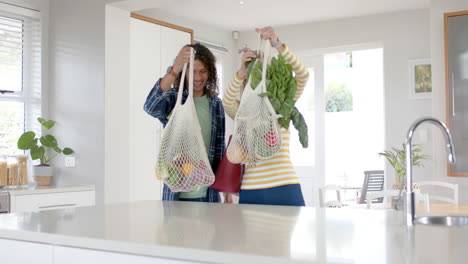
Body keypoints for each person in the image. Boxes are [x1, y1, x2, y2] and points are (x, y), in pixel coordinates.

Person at [223, 26, 310, 206]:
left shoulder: (284, 101)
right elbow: (227, 101)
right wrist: (241, 72)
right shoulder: (243, 113)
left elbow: (303, 74)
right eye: (255, 68)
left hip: (285, 186)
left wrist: (277, 44)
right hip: (252, 189)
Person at [144, 43, 232, 203]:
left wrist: (226, 190)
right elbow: (150, 107)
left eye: (203, 71)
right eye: (192, 71)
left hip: (208, 194)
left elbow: (220, 148)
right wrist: (174, 70)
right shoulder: (174, 99)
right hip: (178, 194)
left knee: (212, 229)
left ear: (210, 73)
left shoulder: (215, 104)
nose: (198, 77)